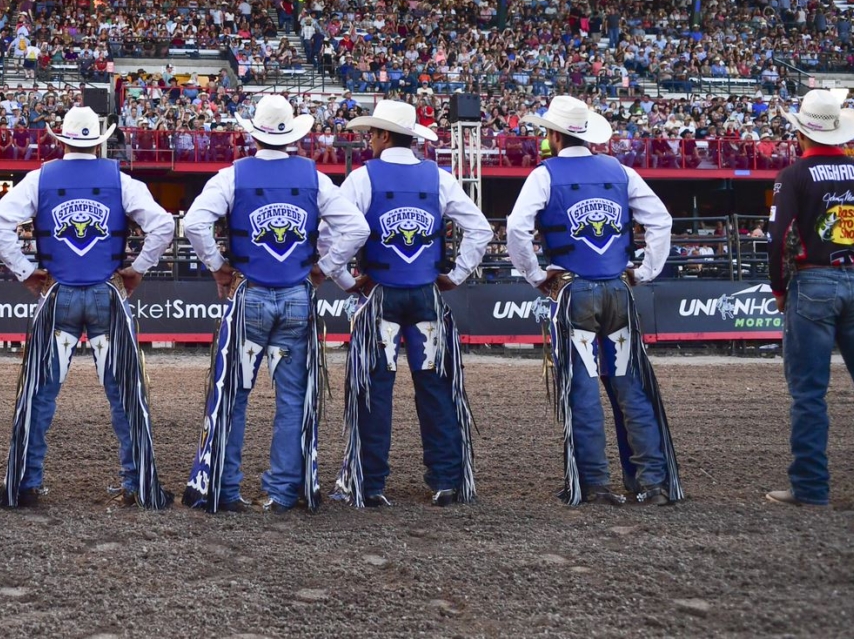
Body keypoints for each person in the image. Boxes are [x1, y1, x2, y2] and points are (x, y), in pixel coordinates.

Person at [182, 95, 368, 512]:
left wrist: (218, 267)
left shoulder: (232, 175)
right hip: (296, 295)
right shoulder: (314, 177)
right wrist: (323, 267)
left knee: (233, 395)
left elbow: (194, 222)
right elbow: (356, 227)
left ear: (255, 133)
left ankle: (224, 488)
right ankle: (285, 491)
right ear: (292, 136)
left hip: (249, 293)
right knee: (293, 398)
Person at [0, 106, 177, 509]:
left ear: (62, 140)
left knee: (40, 392)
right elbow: (163, 225)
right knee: (123, 391)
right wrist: (137, 268)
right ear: (98, 141)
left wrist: (25, 271)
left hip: (58, 293)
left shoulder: (39, 179)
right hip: (106, 292)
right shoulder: (120, 180)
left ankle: (25, 481)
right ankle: (135, 480)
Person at [505, 95, 679, 506]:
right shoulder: (621, 171)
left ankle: (593, 482)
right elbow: (661, 220)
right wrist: (645, 270)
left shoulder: (544, 175)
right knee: (630, 387)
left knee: (581, 387)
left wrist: (535, 275)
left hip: (574, 290)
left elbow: (516, 227)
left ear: (553, 136)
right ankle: (651, 481)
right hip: (618, 290)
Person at [333, 101, 492, 508]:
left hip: (381, 294)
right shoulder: (439, 177)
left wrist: (349, 282)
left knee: (374, 388)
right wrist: (455, 276)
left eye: (372, 133)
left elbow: (334, 233)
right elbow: (479, 228)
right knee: (437, 387)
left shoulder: (361, 178)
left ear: (385, 136)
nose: (368, 140)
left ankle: (369, 484)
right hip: (427, 296)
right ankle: (447, 480)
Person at [764, 88, 854, 506]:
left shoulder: (793, 176)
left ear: (801, 134)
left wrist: (778, 287)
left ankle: (811, 488)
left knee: (809, 393)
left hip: (812, 282)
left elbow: (778, 238)